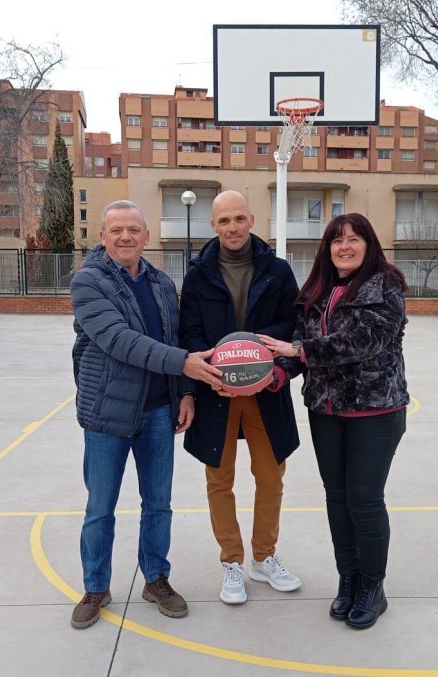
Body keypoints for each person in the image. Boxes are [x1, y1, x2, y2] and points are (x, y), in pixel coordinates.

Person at [69, 200, 224, 629]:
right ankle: (96, 586)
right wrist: (185, 363)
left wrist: (187, 393)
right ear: (102, 237)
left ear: (146, 237)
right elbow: (120, 340)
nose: (125, 237)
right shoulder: (87, 282)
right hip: (108, 414)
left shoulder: (159, 282)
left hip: (159, 412)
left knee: (159, 503)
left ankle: (156, 578)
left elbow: (174, 337)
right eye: (116, 229)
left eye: (133, 230)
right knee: (100, 507)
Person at [259, 213, 409, 630]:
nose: (345, 246)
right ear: (327, 248)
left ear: (369, 244)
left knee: (364, 499)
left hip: (375, 412)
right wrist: (277, 374)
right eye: (337, 240)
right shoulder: (316, 292)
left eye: (354, 239)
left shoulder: (387, 287)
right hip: (326, 411)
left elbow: (360, 342)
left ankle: (373, 587)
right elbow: (299, 353)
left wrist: (297, 352)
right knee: (337, 498)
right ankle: (349, 580)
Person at [179, 190, 302, 605]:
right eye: (223, 221)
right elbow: (190, 333)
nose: (232, 227)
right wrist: (207, 373)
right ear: (213, 225)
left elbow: (295, 329)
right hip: (218, 390)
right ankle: (232, 560)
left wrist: (275, 372)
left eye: (238, 218)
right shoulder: (198, 274)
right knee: (220, 479)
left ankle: (264, 558)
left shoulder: (279, 270)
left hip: (264, 391)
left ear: (251, 218)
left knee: (271, 478)